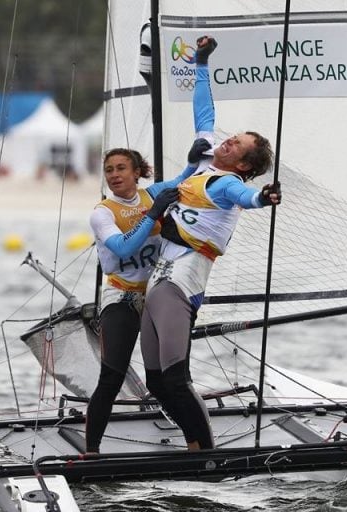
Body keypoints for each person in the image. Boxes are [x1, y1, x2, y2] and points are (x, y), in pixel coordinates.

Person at [139, 36, 282, 451]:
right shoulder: (205, 160)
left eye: (236, 144)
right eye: (231, 137)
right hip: (158, 279)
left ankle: (205, 452)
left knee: (175, 376)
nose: (226, 140)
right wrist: (201, 62)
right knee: (154, 379)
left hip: (180, 282)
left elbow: (246, 200)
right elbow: (204, 108)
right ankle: (192, 445)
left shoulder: (228, 184)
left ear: (243, 164)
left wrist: (264, 198)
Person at [84, 139, 212, 454]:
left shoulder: (152, 193)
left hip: (158, 296)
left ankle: (196, 443)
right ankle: (91, 452)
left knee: (167, 379)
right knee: (111, 377)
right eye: (109, 170)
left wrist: (196, 159)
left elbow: (187, 178)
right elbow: (123, 248)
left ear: (137, 172)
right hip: (122, 299)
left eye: (121, 168)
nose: (114, 175)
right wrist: (152, 214)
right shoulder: (102, 213)